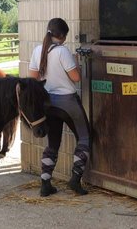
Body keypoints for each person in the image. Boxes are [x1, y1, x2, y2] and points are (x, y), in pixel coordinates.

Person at [28, 17, 91, 197]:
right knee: (85, 138)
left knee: (53, 143)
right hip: (67, 101)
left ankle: (45, 183)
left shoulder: (38, 50)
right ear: (62, 36)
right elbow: (76, 78)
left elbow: (33, 80)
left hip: (48, 103)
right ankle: (75, 179)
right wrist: (77, 62)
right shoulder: (63, 52)